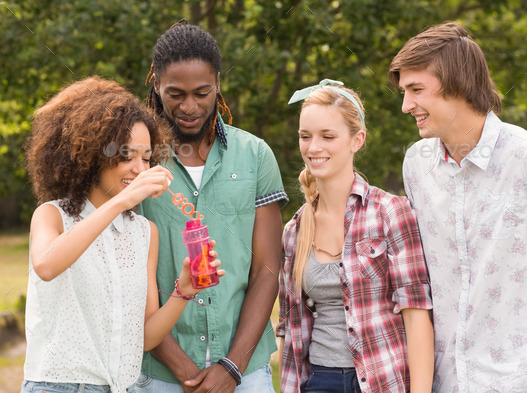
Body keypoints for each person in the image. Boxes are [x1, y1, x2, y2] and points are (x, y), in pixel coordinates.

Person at [389, 21, 527, 393]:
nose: (405, 106)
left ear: (458, 85)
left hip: (521, 383)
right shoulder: (416, 164)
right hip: (442, 383)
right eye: (404, 91)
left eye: (416, 90)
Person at [21, 76, 223, 393]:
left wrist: (185, 291)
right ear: (90, 155)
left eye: (146, 157)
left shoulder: (145, 233)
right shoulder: (52, 215)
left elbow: (144, 337)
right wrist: (121, 202)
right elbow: (46, 265)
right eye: (126, 156)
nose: (140, 169)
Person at [135, 20, 288, 393]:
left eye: (202, 92)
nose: (190, 106)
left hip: (245, 372)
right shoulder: (137, 163)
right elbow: (131, 277)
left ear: (218, 82)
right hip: (159, 373)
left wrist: (232, 367)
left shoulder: (255, 156)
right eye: (176, 93)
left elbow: (268, 267)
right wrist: (185, 370)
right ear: (155, 84)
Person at [277, 79, 434, 393]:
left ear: (356, 140)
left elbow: (417, 318)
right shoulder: (294, 231)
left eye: (328, 136)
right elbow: (289, 328)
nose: (313, 147)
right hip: (318, 382)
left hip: (381, 380)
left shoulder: (390, 213)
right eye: (305, 136)